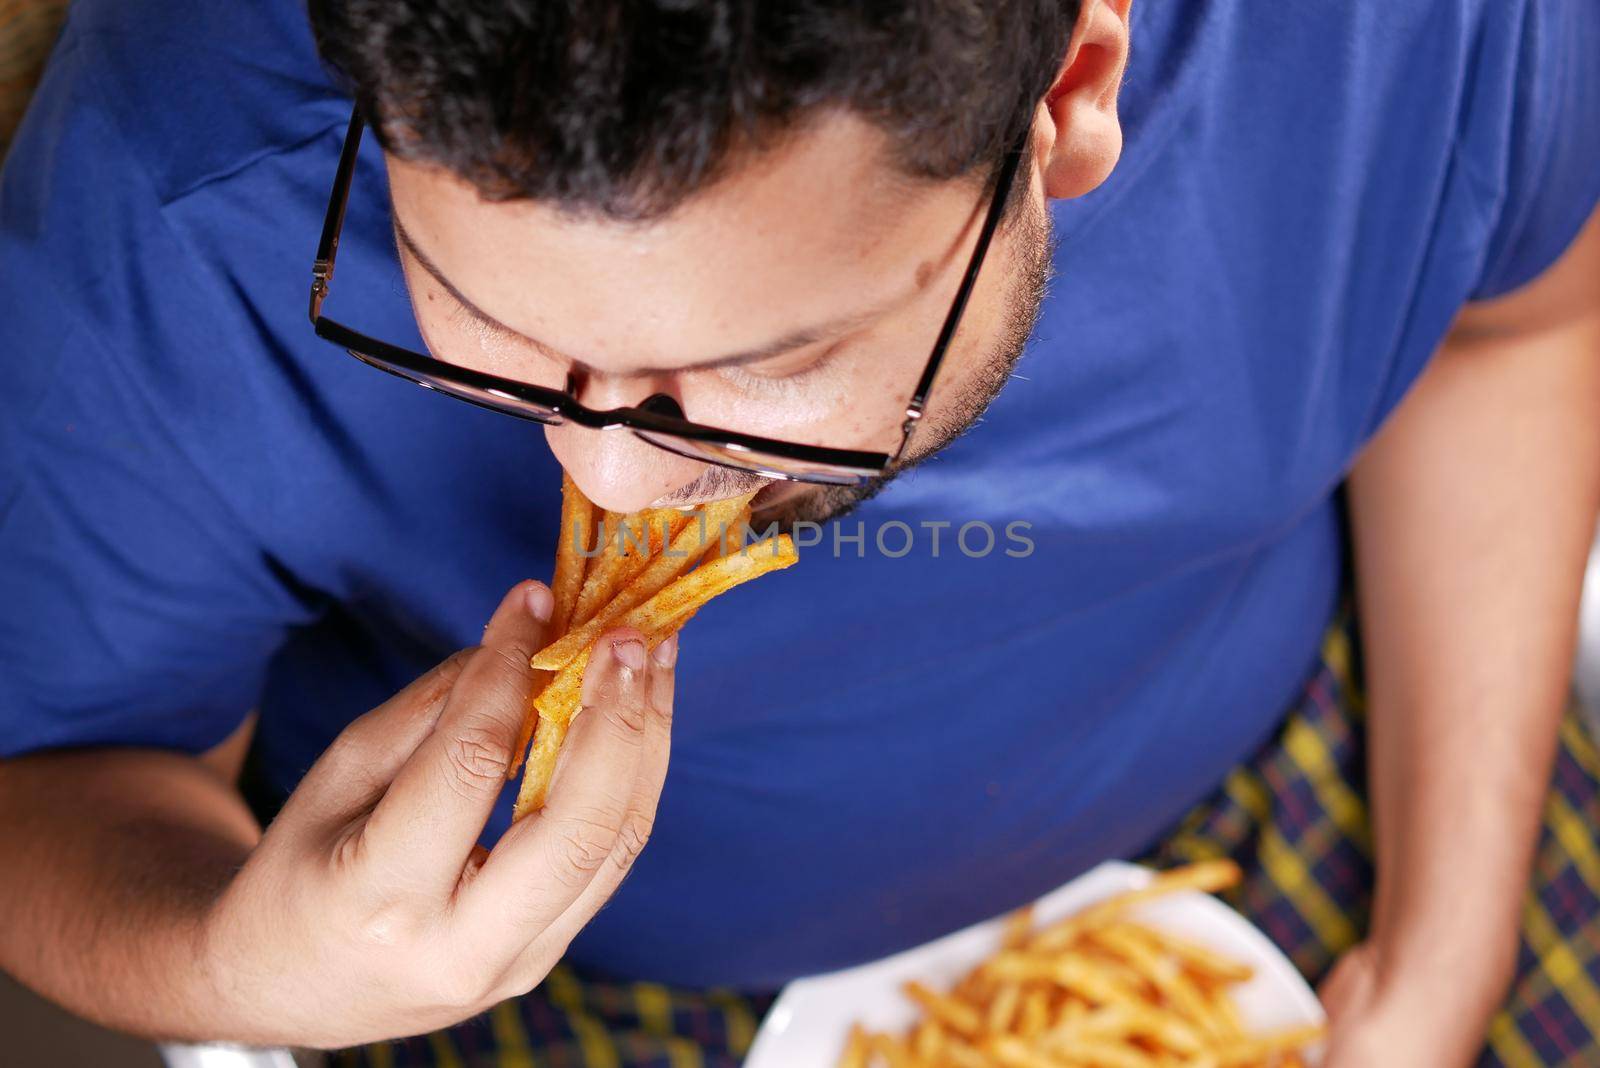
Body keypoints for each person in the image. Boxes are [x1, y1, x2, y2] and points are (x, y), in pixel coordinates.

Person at [1, 0, 1597, 1064]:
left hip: (1331, 771)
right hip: (567, 998)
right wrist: (238, 962)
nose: (611, 485)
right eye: (471, 317)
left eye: (763, 368)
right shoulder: (180, 195)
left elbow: (1512, 329)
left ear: (1070, 96)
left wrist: (1447, 946)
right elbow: (45, 782)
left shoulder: (1410, 34)